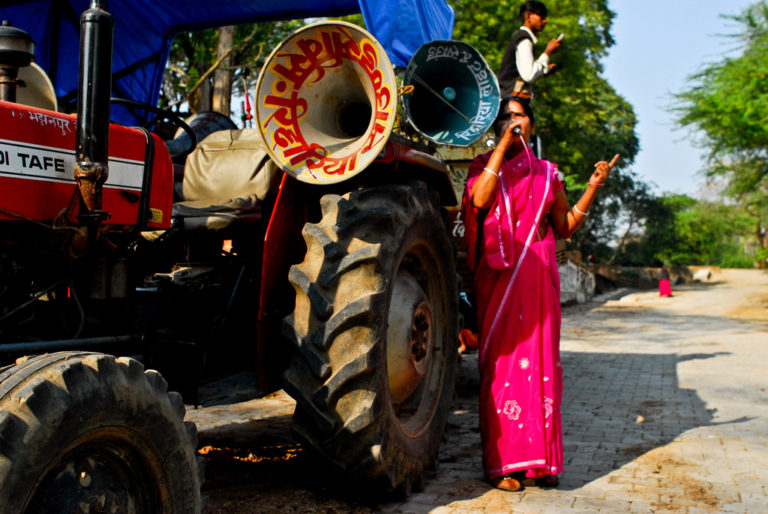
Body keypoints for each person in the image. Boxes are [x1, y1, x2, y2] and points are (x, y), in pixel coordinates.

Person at [461, 97, 619, 492]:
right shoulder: (483, 166)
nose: (515, 121)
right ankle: (503, 466)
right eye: (507, 116)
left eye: (520, 115)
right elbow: (480, 201)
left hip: (538, 282)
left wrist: (593, 187)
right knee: (502, 369)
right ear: (498, 125)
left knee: (541, 368)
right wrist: (499, 148)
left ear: (532, 124)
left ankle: (540, 462)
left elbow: (563, 226)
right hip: (499, 283)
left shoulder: (548, 174)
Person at [497, 1, 562, 99]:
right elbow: (529, 75)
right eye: (541, 16)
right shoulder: (524, 40)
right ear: (528, 16)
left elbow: (524, 73)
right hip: (510, 104)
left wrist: (545, 71)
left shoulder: (522, 38)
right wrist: (547, 53)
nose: (545, 21)